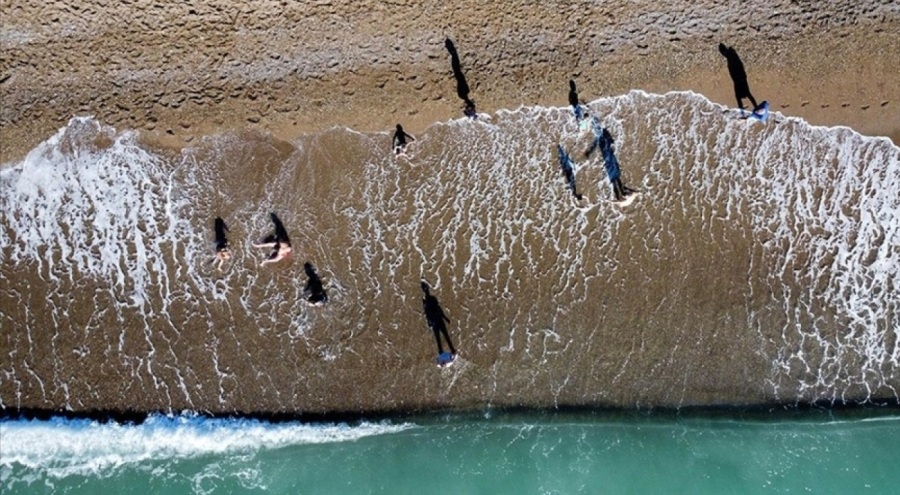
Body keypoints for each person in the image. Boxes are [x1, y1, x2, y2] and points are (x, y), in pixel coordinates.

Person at [586, 118, 636, 202]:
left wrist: (589, 152)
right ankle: (621, 194)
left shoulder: (601, 139)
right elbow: (608, 142)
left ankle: (620, 195)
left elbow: (598, 144)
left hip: (609, 161)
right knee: (616, 179)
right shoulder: (603, 138)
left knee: (615, 180)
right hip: (610, 160)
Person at [718, 43, 760, 111]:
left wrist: (737, 78)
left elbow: (736, 67)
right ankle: (755, 107)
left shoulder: (730, 56)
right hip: (740, 77)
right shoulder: (731, 54)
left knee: (740, 95)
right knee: (746, 93)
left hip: (739, 78)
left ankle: (744, 109)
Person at [421, 281, 456, 361]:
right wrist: (445, 318)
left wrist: (429, 323)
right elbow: (438, 309)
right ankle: (451, 350)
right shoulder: (432, 299)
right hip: (438, 319)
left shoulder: (425, 302)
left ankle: (442, 352)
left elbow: (428, 314)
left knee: (439, 338)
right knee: (445, 336)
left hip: (435, 321)